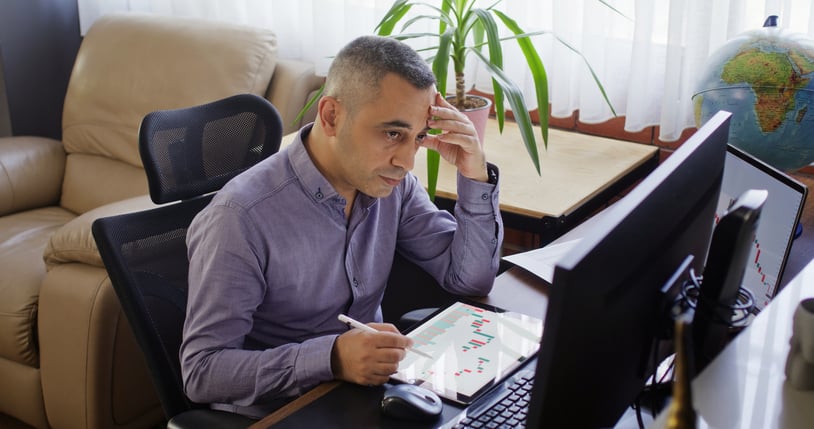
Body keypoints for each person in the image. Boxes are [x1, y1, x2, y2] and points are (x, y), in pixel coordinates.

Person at [180, 35, 504, 418]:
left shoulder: (393, 187)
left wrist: (474, 172)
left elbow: (469, 280)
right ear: (332, 116)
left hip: (369, 395)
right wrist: (331, 358)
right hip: (283, 412)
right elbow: (202, 372)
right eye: (392, 134)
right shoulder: (239, 217)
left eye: (418, 138)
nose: (407, 161)